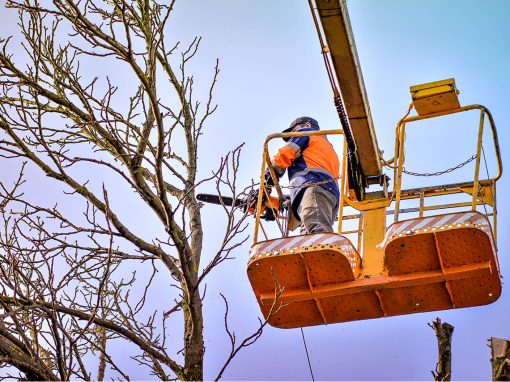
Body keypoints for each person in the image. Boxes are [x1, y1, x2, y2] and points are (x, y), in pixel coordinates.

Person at [264, 116, 340, 234]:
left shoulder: (307, 133)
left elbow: (284, 154)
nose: (293, 136)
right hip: (328, 197)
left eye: (294, 131)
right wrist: (291, 199)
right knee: (309, 236)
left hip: (314, 190)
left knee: (316, 234)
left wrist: (267, 180)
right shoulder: (327, 147)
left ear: (307, 125)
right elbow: (316, 173)